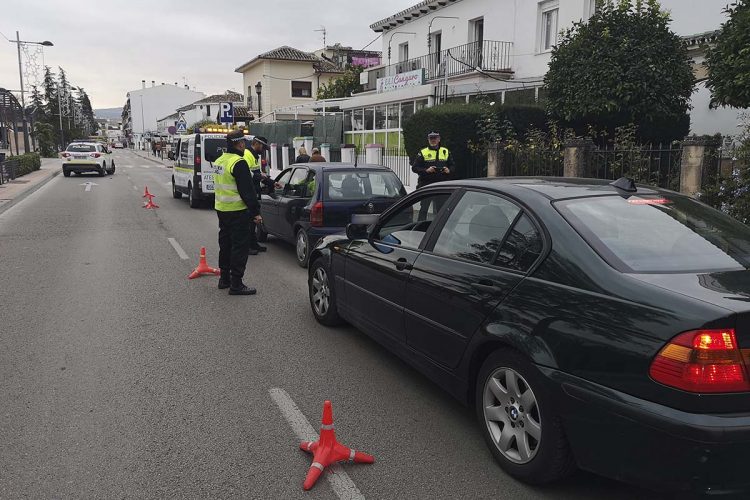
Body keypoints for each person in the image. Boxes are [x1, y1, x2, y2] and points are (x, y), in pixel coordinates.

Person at [213, 130, 262, 295]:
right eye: (243, 143)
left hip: (222, 210)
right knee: (239, 247)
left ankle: (224, 279)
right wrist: (255, 212)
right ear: (239, 143)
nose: (244, 146)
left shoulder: (220, 161)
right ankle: (236, 284)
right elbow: (247, 191)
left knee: (225, 245)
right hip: (238, 211)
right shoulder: (238, 162)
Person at [411, 131, 455, 220]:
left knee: (441, 209)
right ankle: (420, 227)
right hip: (427, 185)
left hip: (441, 185)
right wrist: (426, 170)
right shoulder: (423, 152)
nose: (433, 140)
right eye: (431, 138)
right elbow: (415, 168)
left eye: (435, 138)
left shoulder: (445, 151)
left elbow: (453, 165)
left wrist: (449, 170)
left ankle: (438, 228)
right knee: (424, 209)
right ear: (428, 140)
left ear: (439, 139)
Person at [243, 136, 274, 255]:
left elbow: (257, 173)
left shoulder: (254, 156)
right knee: (250, 222)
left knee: (253, 222)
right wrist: (260, 176)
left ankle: (254, 243)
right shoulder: (247, 155)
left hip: (254, 191)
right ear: (256, 144)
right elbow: (247, 175)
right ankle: (248, 246)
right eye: (262, 146)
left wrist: (271, 182)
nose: (263, 149)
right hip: (249, 192)